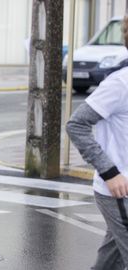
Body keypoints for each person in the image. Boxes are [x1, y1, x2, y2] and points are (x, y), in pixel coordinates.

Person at [66, 16, 128, 270]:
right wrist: (110, 172)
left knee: (108, 262)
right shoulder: (119, 83)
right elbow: (76, 125)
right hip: (119, 192)